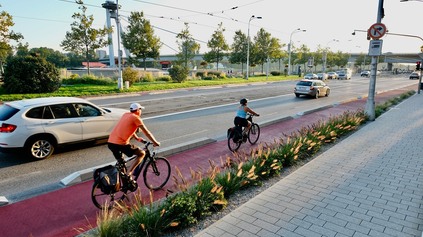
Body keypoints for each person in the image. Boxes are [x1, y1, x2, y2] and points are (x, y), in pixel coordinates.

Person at [108, 103, 160, 179]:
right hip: (121, 144)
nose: (141, 111)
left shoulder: (126, 114)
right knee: (142, 153)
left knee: (121, 163)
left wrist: (137, 138)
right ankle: (129, 174)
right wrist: (155, 142)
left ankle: (125, 183)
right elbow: (147, 132)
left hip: (111, 142)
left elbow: (127, 127)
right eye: (140, 109)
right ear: (138, 110)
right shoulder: (136, 118)